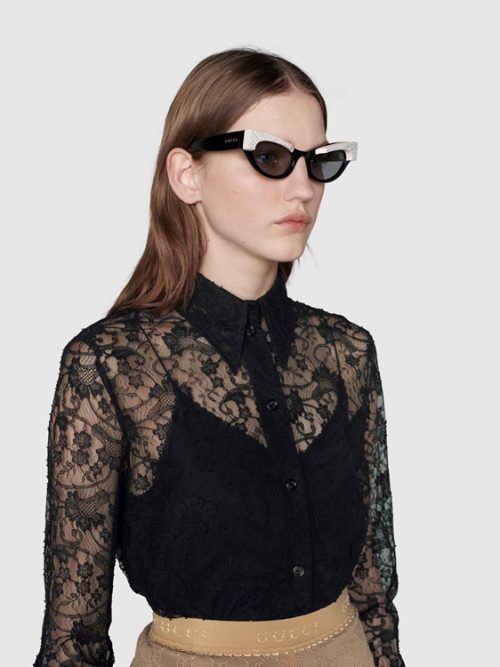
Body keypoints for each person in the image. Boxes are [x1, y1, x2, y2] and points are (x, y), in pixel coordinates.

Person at [33, 47, 405, 667]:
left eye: (319, 162)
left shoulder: (346, 352)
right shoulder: (112, 365)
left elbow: (374, 593)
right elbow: (74, 638)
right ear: (187, 175)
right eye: (270, 157)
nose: (304, 188)